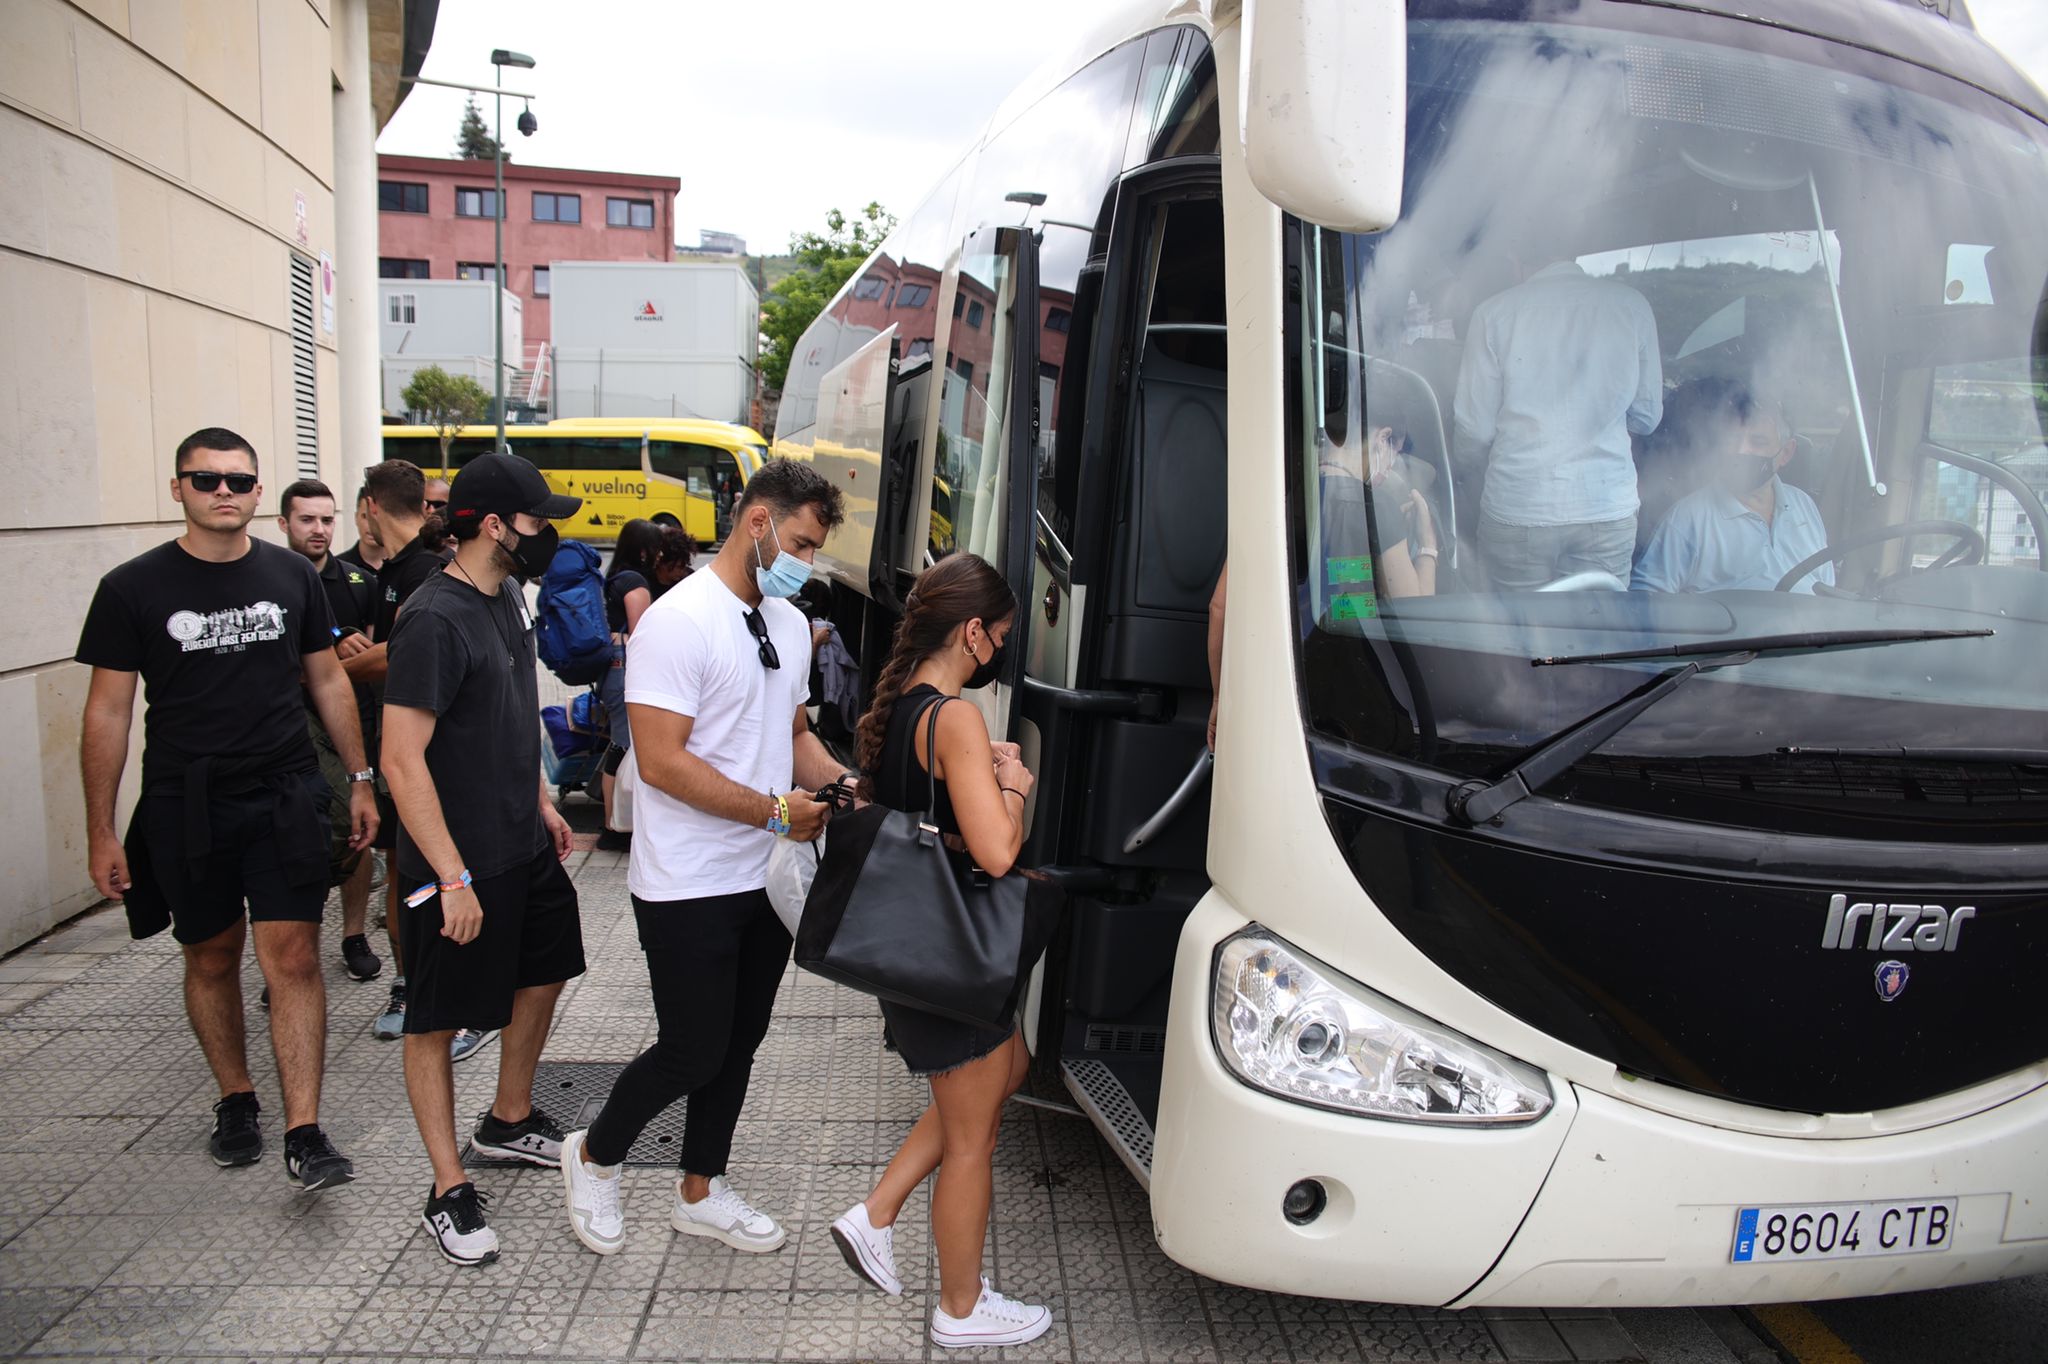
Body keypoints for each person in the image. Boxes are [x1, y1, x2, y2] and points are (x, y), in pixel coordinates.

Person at [560, 459, 848, 1259]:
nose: (806, 562)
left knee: (742, 1039)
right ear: (757, 522)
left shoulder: (788, 624)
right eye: (799, 542)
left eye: (815, 549)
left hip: (767, 876)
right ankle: (593, 1155)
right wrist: (774, 811)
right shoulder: (677, 621)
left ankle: (701, 1189)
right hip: (687, 881)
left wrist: (841, 782)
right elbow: (661, 760)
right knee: (691, 1047)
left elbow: (790, 734)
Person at [77, 427, 376, 1189]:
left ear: (255, 493)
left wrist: (362, 778)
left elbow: (329, 681)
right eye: (205, 479)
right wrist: (101, 829)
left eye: (239, 482)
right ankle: (236, 1098)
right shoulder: (131, 588)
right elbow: (108, 712)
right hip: (186, 800)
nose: (223, 492)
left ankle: (304, 1129)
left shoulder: (291, 576)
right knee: (210, 956)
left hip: (283, 793)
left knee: (295, 958)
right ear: (177, 488)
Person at [823, 552, 1051, 1349]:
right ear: (974, 632)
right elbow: (994, 851)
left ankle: (875, 1213)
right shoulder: (954, 719)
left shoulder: (899, 711)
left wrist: (974, 775)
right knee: (973, 1140)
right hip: (951, 956)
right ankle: (961, 1308)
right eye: (1004, 637)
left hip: (919, 951)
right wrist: (1015, 780)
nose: (1004, 652)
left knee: (1007, 1072)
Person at [380, 452, 587, 1266]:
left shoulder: (506, 596)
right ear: (496, 526)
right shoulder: (434, 618)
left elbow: (509, 710)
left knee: (549, 965)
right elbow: (403, 760)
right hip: (454, 860)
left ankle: (508, 1117)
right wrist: (450, 875)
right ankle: (447, 1186)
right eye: (539, 520)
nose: (551, 533)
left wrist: (539, 798)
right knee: (436, 1018)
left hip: (518, 841)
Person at [1453, 253, 1662, 589]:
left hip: (1518, 504)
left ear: (1516, 260)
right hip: (1605, 505)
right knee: (1599, 631)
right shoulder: (1632, 306)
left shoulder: (1493, 314)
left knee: (1515, 631)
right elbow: (1647, 417)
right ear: (1575, 255)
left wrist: (1465, 471)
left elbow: (1475, 430)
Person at [349, 460, 456, 1046]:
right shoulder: (389, 569)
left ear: (369, 505)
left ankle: (424, 989)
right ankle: (411, 981)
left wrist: (335, 673)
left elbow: (405, 652)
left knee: (417, 874)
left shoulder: (426, 569)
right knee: (399, 870)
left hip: (421, 754)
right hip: (387, 743)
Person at [278, 479, 384, 982]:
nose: (318, 530)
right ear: (284, 524)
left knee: (358, 830)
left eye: (326, 519)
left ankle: (354, 933)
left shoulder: (361, 583)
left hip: (353, 725)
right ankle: (295, 955)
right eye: (306, 520)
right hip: (288, 731)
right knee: (301, 842)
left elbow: (386, 652)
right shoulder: (273, 583)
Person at [1633, 389, 1833, 594]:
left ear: (1786, 453)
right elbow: (1647, 600)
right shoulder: (1688, 518)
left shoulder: (1804, 505)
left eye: (1758, 442)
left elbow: (1827, 588)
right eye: (1732, 441)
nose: (1741, 451)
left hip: (1815, 625)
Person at [596, 519, 662, 850]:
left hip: (611, 669)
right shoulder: (635, 582)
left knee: (619, 744)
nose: (659, 555)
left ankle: (614, 822)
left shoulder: (616, 575)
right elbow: (641, 634)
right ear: (643, 550)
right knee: (623, 745)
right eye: (655, 548)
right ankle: (613, 826)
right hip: (625, 669)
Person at [1321, 424, 1440, 600]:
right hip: (1351, 625)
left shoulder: (1296, 488)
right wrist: (1428, 544)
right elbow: (1416, 607)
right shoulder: (1379, 507)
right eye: (1396, 453)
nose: (1390, 467)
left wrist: (1391, 531)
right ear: (1383, 438)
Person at [338, 485, 384, 574]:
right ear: (356, 517)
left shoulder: (403, 567)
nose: (371, 525)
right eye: (365, 516)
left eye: (377, 516)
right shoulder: (339, 567)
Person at [652, 525, 697, 595]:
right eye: (679, 566)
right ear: (662, 563)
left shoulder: (689, 578)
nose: (683, 571)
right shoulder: (646, 583)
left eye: (685, 565)